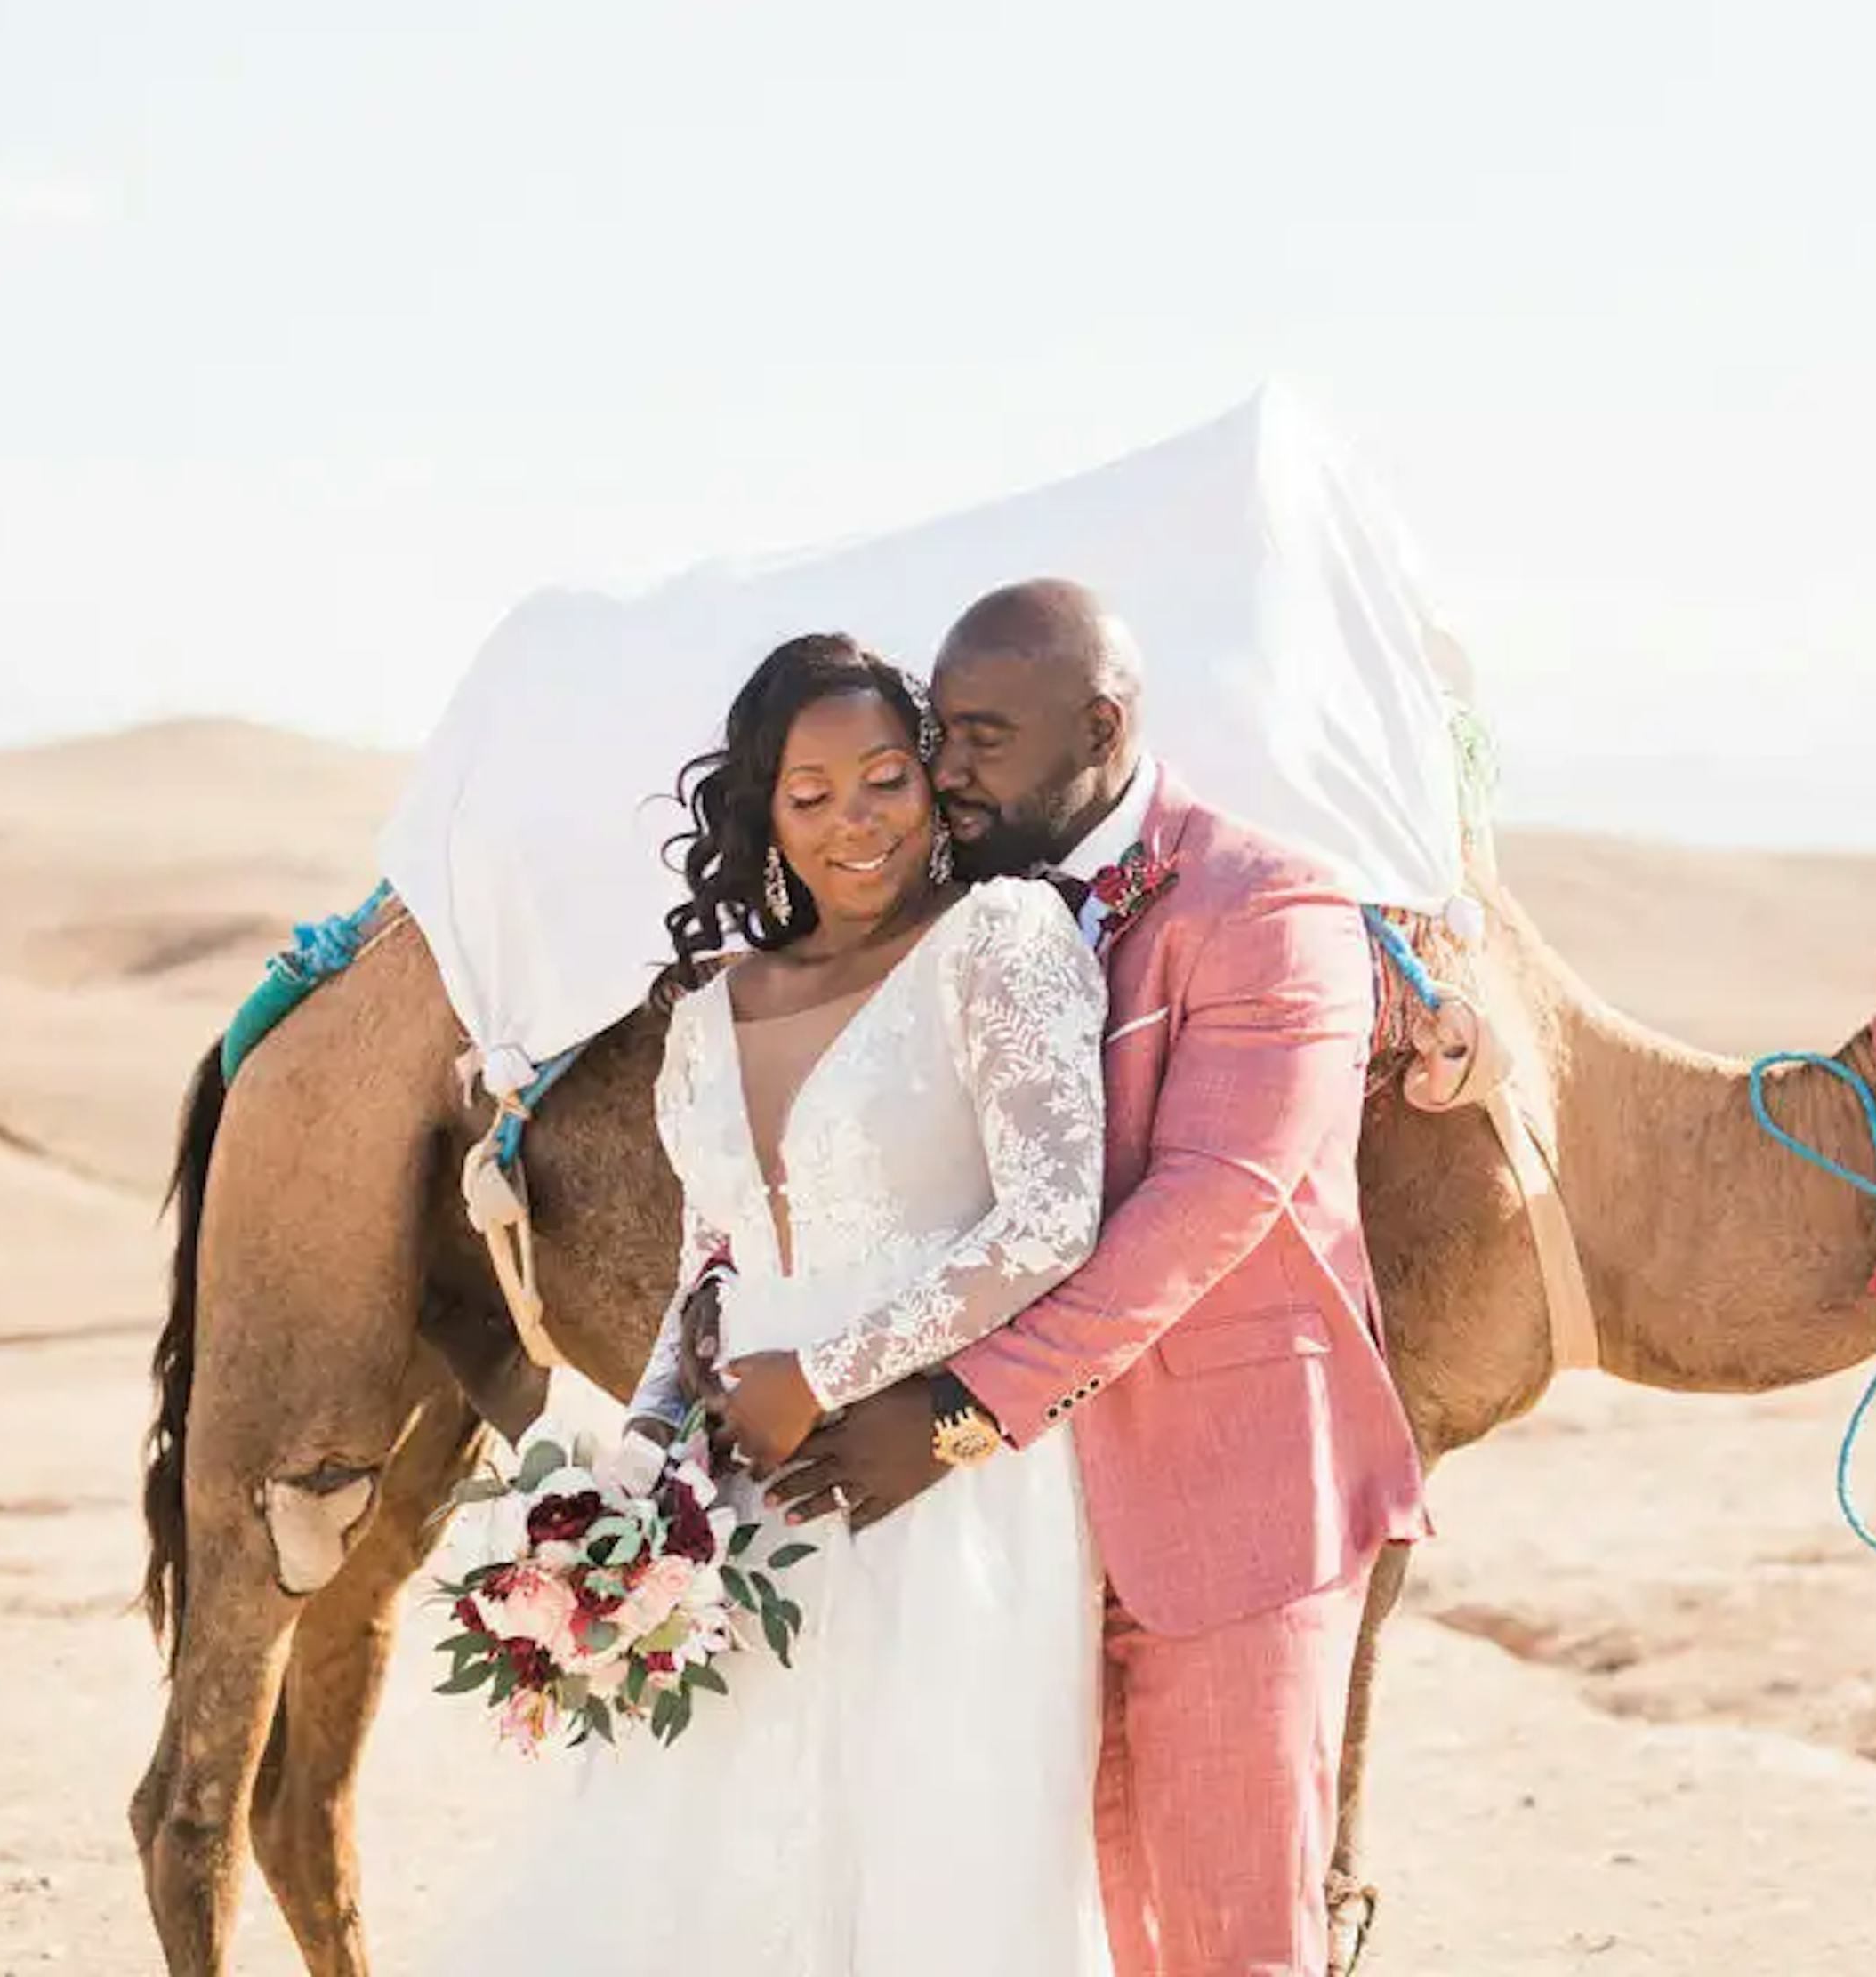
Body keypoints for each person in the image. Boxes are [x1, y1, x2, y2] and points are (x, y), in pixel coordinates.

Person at [765, 579, 1430, 1977]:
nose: (945, 772)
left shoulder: (1273, 905)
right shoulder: (953, 911)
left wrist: (952, 1416)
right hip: (1019, 1546)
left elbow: (1205, 1213)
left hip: (1230, 1511)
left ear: (1105, 727)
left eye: (985, 738)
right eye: (941, 733)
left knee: (1231, 1941)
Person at [432, 629, 1115, 1973]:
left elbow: (1052, 1215)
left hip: (941, 1476)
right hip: (738, 1495)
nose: (855, 824)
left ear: (932, 785)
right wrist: (628, 1480)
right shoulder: (709, 1010)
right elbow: (710, 1268)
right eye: (811, 797)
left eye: (885, 780)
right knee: (710, 1848)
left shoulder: (1001, 940)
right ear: (764, 815)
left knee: (932, 1849)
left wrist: (830, 1373)